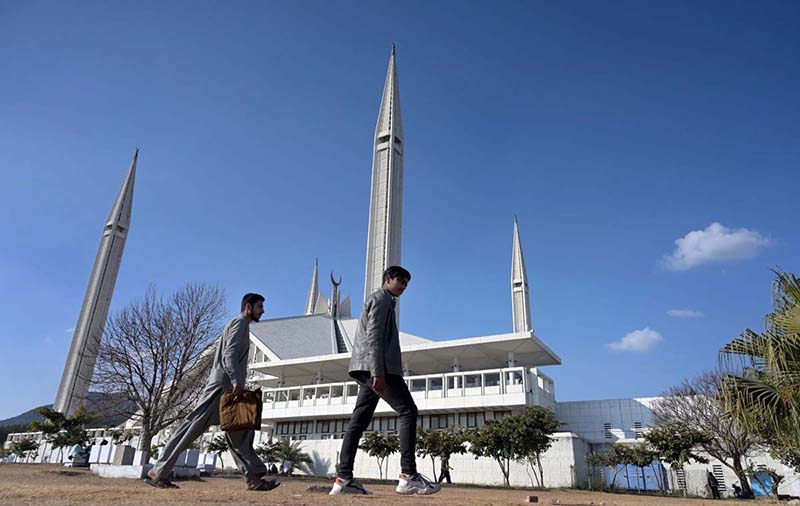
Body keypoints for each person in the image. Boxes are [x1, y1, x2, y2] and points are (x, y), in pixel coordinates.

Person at [146, 293, 278, 492]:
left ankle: (254, 478)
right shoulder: (239, 324)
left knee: (240, 431)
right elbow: (230, 354)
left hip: (228, 387)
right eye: (259, 307)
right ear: (248, 307)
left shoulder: (243, 326)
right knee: (191, 429)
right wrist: (235, 380)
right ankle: (159, 471)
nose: (263, 311)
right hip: (221, 389)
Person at [330, 266, 441, 496]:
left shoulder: (384, 300)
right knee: (408, 411)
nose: (403, 286)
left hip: (366, 367)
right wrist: (377, 372)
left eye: (406, 284)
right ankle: (408, 475)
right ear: (388, 279)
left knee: (358, 422)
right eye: (400, 280)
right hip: (378, 368)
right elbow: (374, 337)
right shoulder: (381, 299)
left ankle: (343, 479)